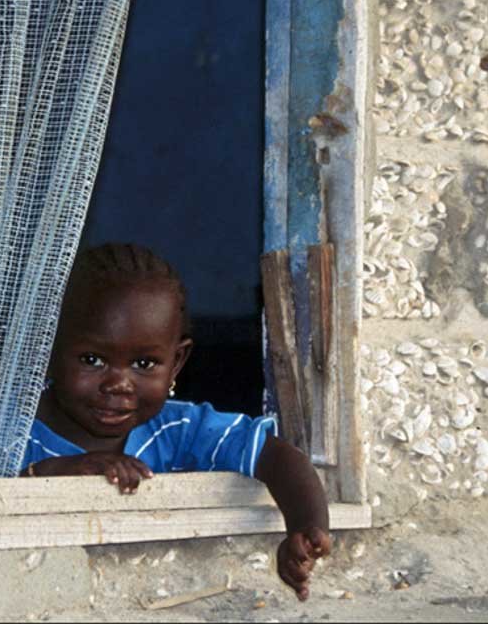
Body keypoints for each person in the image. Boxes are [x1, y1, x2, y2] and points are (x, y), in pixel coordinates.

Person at [21, 242, 331, 601]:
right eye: (92, 360)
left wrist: (306, 526)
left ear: (177, 362)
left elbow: (276, 457)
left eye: (144, 364)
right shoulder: (10, 432)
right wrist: (53, 473)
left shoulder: (181, 429)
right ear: (49, 349)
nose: (118, 384)